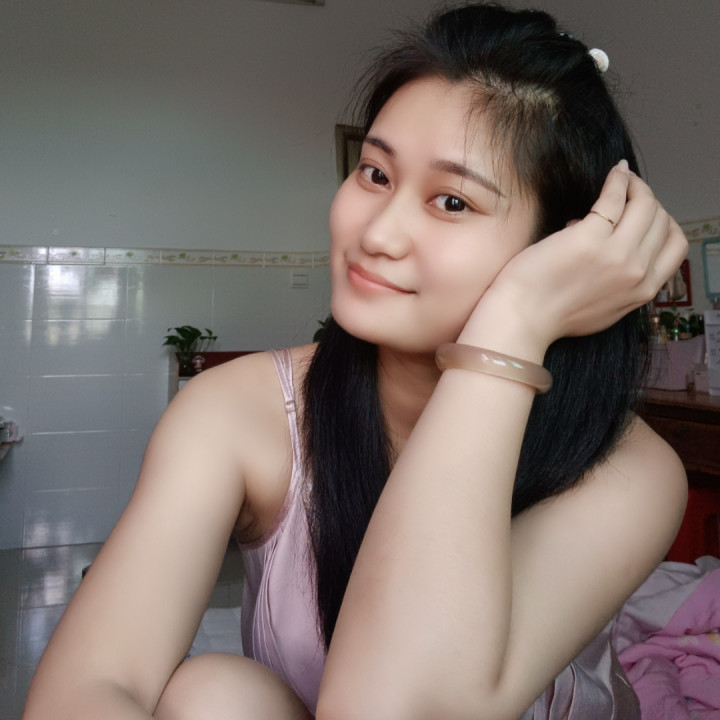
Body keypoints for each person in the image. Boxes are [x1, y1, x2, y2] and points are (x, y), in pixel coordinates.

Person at [23, 3, 689, 719]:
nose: (378, 232)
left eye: (452, 201)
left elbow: (399, 707)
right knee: (215, 697)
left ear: (566, 251)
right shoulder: (240, 412)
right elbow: (88, 685)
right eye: (374, 173)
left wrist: (514, 324)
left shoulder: (628, 470)